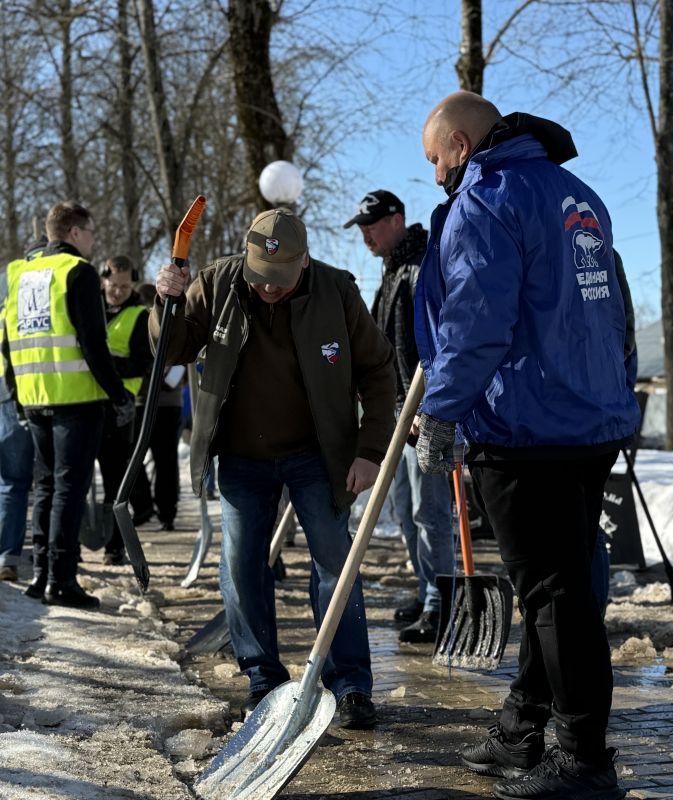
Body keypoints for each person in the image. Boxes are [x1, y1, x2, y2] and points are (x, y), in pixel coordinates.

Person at [413, 92, 639, 799]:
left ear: (458, 142)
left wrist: (441, 412)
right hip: (589, 420)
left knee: (553, 594)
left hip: (524, 424)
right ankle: (522, 729)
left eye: (434, 160)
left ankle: (581, 758)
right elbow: (617, 311)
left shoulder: (488, 197)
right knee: (561, 587)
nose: (436, 175)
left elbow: (478, 321)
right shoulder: (579, 196)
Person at [152, 207, 395, 729]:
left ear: (304, 262)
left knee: (337, 564)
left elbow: (378, 370)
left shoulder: (337, 292)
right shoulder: (217, 284)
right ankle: (263, 678)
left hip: (318, 453)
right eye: (260, 279)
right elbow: (169, 349)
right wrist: (166, 301)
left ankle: (350, 683)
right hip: (240, 454)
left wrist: (369, 450)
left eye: (280, 282)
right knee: (241, 566)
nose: (268, 290)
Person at [1, 201, 133, 608]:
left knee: (45, 487)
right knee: (68, 490)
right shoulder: (77, 272)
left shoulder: (20, 273)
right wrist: (119, 394)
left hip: (34, 396)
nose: (93, 240)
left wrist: (16, 393)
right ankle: (62, 579)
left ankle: (41, 573)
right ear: (74, 233)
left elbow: (6, 343)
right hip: (75, 399)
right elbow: (94, 344)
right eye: (90, 232)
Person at [345, 189, 453, 644]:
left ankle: (441, 600)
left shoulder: (424, 263)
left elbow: (438, 338)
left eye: (373, 226)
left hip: (422, 407)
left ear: (397, 220)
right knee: (407, 510)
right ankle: (427, 585)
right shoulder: (391, 270)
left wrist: (428, 404)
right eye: (362, 229)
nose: (366, 235)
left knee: (430, 510)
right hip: (397, 408)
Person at [0, 236, 45, 583]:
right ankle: (46, 559)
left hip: (11, 391)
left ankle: (6, 558)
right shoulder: (61, 272)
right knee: (51, 482)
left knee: (11, 482)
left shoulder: (3, 278)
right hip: (53, 392)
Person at [95, 255, 153, 565]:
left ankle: (114, 545)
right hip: (85, 401)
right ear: (103, 280)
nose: (117, 291)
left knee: (115, 480)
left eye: (125, 286)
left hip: (119, 407)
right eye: (113, 285)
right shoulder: (92, 308)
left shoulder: (140, 316)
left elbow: (144, 365)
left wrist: (107, 367)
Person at [135, 282, 185, 532]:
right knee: (148, 459)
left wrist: (168, 376)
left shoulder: (168, 321)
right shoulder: (138, 324)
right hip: (145, 400)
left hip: (165, 402)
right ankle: (153, 508)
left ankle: (165, 511)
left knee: (165, 461)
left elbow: (181, 359)